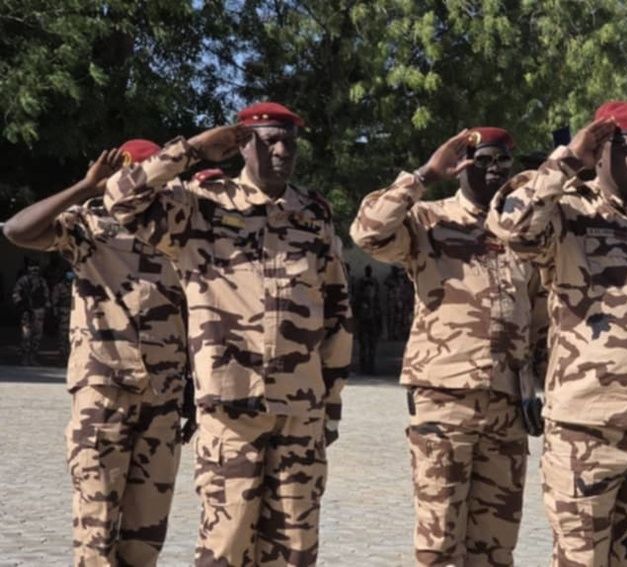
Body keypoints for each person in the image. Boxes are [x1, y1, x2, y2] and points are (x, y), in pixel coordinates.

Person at [105, 102, 352, 566]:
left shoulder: (313, 215)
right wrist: (192, 150)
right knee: (226, 547)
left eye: (290, 141)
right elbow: (120, 199)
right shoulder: (200, 207)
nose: (283, 150)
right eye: (270, 139)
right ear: (244, 144)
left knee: (296, 551)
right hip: (231, 413)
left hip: (301, 412)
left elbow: (337, 313)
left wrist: (331, 405)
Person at [487, 101, 627, 565]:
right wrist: (568, 159)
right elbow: (509, 225)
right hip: (586, 435)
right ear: (601, 151)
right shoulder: (567, 213)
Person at [351, 127, 548, 566]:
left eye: (502, 161)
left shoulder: (521, 234)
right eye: (482, 160)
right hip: (444, 401)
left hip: (508, 406)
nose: (494, 169)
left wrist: (537, 384)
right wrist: (423, 175)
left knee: (496, 547)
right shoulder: (427, 221)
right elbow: (367, 233)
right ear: (459, 168)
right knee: (439, 543)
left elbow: (539, 317)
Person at [3, 140, 189, 565]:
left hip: (163, 396)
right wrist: (85, 188)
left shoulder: (180, 235)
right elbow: (16, 230)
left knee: (146, 535)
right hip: (103, 394)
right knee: (97, 528)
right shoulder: (87, 226)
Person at [12, 261, 50, 365]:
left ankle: (33, 357)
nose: (35, 272)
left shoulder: (42, 281)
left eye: (36, 270)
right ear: (29, 269)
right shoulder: (23, 281)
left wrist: (46, 305)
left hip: (38, 310)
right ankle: (25, 358)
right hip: (27, 311)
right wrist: (21, 305)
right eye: (33, 269)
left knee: (37, 335)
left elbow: (46, 295)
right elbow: (16, 293)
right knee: (26, 335)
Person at [352, 265, 382, 374]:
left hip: (372, 325)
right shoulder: (360, 302)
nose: (370, 291)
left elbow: (379, 315)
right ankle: (363, 366)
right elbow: (355, 314)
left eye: (371, 290)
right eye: (368, 290)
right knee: (364, 347)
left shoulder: (375, 303)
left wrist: (379, 329)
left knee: (372, 347)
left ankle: (371, 367)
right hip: (363, 324)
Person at [52, 271, 74, 359]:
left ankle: (70, 354)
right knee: (63, 333)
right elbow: (55, 299)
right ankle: (62, 354)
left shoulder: (76, 286)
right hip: (63, 311)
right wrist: (55, 311)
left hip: (74, 312)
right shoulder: (59, 286)